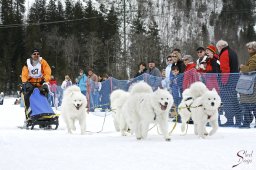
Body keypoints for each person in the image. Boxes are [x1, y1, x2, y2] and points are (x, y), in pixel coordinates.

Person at [21, 48, 51, 119]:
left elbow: (48, 72)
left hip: (40, 82)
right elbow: (24, 74)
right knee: (28, 92)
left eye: (38, 54)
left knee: (44, 91)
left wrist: (44, 79)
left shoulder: (43, 62)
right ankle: (29, 113)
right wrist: (24, 83)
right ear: (31, 55)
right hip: (30, 82)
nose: (36, 55)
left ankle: (45, 112)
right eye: (34, 54)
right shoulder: (27, 63)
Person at [216, 40, 240, 126]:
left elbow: (225, 69)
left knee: (228, 101)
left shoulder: (224, 53)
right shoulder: (232, 52)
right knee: (234, 100)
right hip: (234, 80)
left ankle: (230, 120)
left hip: (228, 81)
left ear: (220, 47)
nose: (217, 49)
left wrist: (223, 82)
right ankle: (238, 119)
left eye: (218, 48)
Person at [239, 41, 256, 128]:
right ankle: (246, 122)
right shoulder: (252, 57)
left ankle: (246, 122)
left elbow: (251, 69)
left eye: (249, 48)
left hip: (252, 84)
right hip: (252, 84)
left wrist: (242, 67)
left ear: (254, 49)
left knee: (249, 104)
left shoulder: (254, 58)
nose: (248, 50)